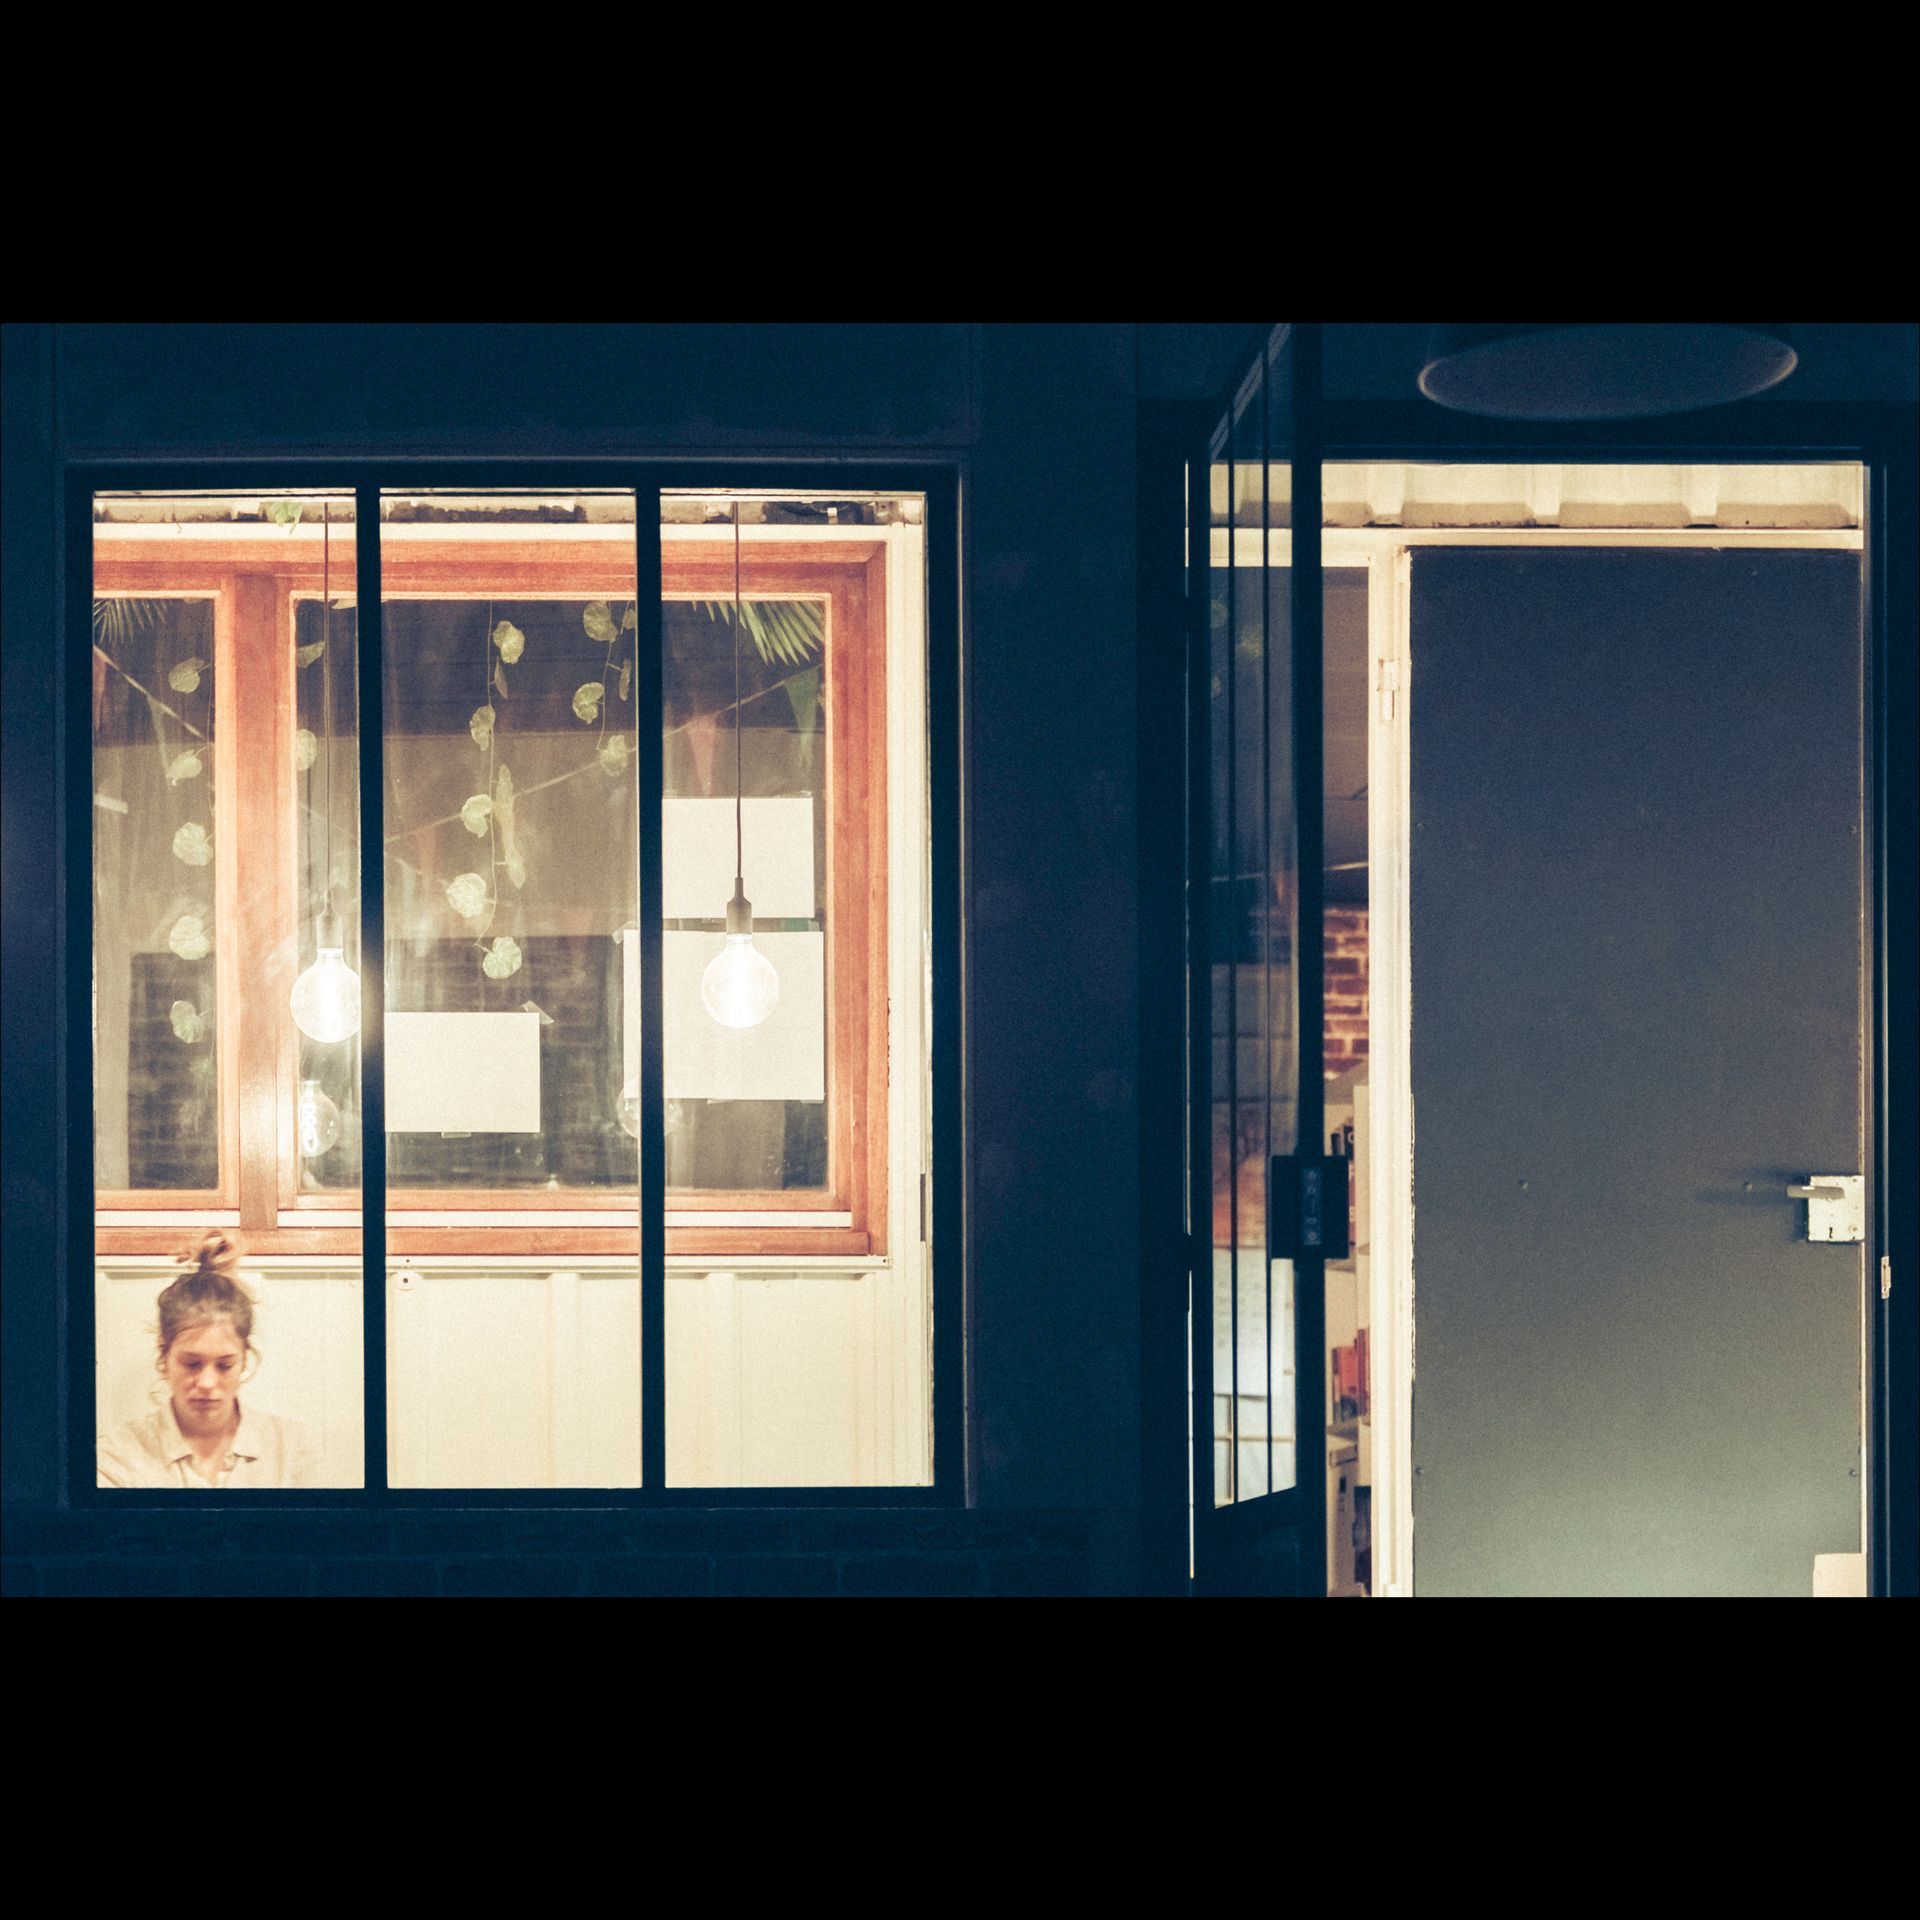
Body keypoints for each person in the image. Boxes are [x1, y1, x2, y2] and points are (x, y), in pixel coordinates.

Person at [97, 1233, 320, 1489]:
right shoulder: (117, 1456)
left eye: (225, 1365)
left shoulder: (290, 1449)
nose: (207, 1382)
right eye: (191, 1364)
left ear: (245, 1360)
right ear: (164, 1356)